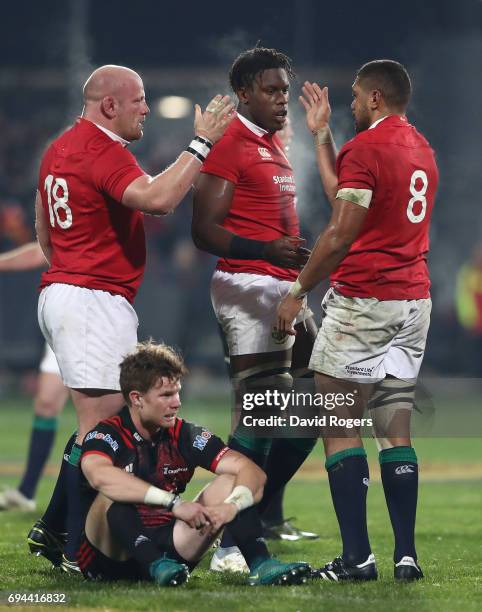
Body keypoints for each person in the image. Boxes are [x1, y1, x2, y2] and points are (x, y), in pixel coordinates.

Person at [30, 64, 235, 571]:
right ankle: (74, 543)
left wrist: (68, 271)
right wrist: (201, 144)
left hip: (75, 292)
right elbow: (159, 200)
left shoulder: (61, 147)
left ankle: (54, 528)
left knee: (101, 427)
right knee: (103, 431)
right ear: (109, 105)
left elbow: (43, 224)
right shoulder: (100, 149)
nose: (146, 108)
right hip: (90, 299)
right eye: (140, 99)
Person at [277, 60, 438, 581]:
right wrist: (322, 135)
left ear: (374, 98)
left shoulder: (368, 149)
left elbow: (340, 233)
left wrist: (299, 289)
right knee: (395, 429)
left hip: (365, 301)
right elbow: (344, 197)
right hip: (413, 302)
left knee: (340, 427)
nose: (348, 103)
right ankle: (406, 556)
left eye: (352, 96)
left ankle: (357, 558)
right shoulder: (420, 150)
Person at [192, 48, 318, 571]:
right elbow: (204, 231)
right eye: (272, 90)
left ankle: (251, 513)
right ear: (244, 92)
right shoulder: (231, 147)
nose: (282, 99)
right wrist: (266, 250)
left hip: (280, 287)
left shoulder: (271, 146)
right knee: (261, 414)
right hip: (247, 287)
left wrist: (290, 256)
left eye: (285, 90)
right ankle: (232, 543)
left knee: (314, 405)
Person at [78, 340, 311, 586]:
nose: (177, 402)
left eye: (177, 392)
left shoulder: (185, 435)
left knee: (233, 481)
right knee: (111, 493)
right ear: (137, 398)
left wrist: (232, 506)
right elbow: (99, 476)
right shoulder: (107, 434)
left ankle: (261, 564)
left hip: (171, 549)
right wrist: (173, 502)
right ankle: (154, 564)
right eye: (166, 395)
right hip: (112, 558)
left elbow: (251, 472)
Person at [0, 243, 68, 512]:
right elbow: (44, 249)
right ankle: (27, 491)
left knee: (101, 415)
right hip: (64, 316)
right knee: (47, 404)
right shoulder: (62, 208)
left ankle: (128, 487)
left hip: (94, 310)